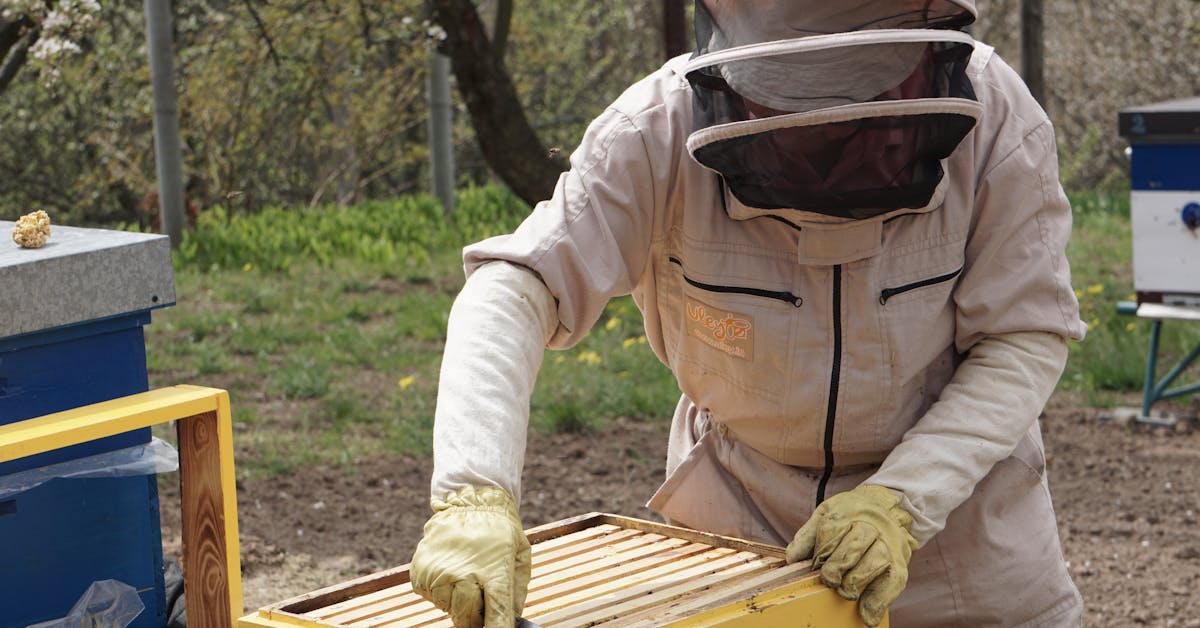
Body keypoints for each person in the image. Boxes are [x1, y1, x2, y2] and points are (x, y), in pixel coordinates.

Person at [410, 1, 1087, 626]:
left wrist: (903, 502)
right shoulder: (654, 129)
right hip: (739, 525)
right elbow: (517, 285)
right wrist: (475, 492)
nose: (830, 130)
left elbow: (1022, 335)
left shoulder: (1000, 118)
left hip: (959, 528)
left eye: (856, 92)